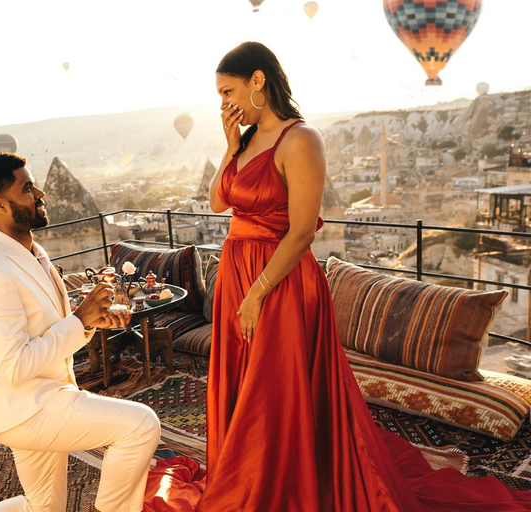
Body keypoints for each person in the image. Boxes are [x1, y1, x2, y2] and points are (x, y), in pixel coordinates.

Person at [142, 41, 531, 512]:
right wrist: (229, 147)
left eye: (228, 92)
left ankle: (289, 478)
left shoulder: (301, 140)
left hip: (277, 282)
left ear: (258, 82)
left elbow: (303, 231)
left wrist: (257, 294)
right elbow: (218, 203)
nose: (223, 104)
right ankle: (249, 469)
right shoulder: (243, 142)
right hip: (237, 274)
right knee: (247, 385)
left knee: (277, 387)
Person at [0, 153, 160, 512]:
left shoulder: (33, 253)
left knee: (42, 508)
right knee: (141, 425)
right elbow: (16, 365)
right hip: (25, 407)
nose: (40, 193)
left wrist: (91, 321)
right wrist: (79, 320)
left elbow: (54, 329)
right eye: (27, 188)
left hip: (46, 393)